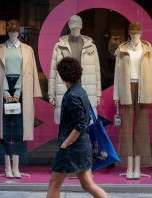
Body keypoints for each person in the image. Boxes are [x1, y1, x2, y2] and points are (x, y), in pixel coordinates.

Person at [0, 19, 42, 179]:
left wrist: (20, 92)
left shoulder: (27, 50)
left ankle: (16, 167)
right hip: (3, 92)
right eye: (10, 31)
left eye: (15, 31)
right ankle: (7, 167)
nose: (13, 34)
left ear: (19, 32)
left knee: (18, 131)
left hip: (21, 92)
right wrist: (4, 92)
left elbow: (30, 72)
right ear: (7, 32)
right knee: (4, 131)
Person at [46, 57, 108, 198]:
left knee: (54, 182)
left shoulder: (72, 95)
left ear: (62, 75)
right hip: (82, 145)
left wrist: (65, 144)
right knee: (88, 184)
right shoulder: (80, 91)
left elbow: (80, 124)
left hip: (72, 147)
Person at [113, 22, 152, 179]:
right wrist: (116, 95)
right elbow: (117, 74)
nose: (135, 36)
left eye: (137, 33)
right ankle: (128, 167)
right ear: (129, 34)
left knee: (141, 129)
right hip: (126, 88)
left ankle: (138, 167)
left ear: (141, 33)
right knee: (126, 129)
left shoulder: (147, 50)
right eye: (132, 33)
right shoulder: (122, 50)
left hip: (143, 89)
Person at [48, 15, 101, 125]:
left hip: (86, 89)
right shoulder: (59, 46)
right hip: (65, 89)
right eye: (73, 27)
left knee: (84, 123)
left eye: (77, 27)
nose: (75, 29)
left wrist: (98, 94)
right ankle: (68, 142)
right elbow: (53, 72)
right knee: (67, 124)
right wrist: (51, 95)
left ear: (81, 26)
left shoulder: (91, 46)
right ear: (69, 26)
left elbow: (97, 72)